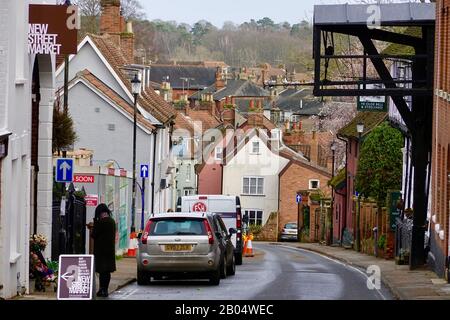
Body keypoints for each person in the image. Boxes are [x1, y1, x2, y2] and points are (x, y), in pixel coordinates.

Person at [89, 203, 116, 297]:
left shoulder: (101, 222)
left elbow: (93, 234)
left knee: (102, 271)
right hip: (110, 250)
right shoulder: (112, 221)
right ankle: (105, 290)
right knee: (107, 272)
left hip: (101, 251)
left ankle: (102, 290)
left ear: (100, 213)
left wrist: (95, 223)